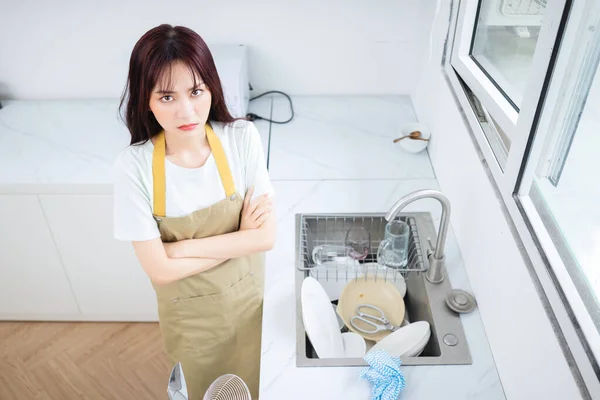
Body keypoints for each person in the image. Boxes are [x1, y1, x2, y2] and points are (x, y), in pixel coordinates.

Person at [112, 24, 276, 399]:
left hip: (250, 312)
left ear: (211, 88)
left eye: (196, 91)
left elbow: (265, 238)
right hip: (194, 327)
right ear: (146, 100)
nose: (186, 110)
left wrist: (181, 248)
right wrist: (239, 239)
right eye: (167, 97)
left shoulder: (241, 138)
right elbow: (160, 270)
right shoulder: (133, 167)